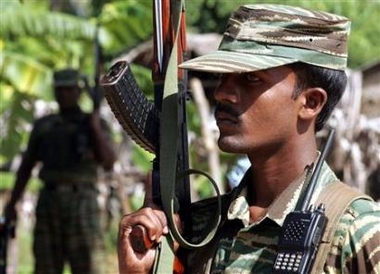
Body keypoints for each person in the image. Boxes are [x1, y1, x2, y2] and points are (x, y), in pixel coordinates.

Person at [117, 4, 380, 274]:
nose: (222, 93)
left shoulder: (357, 232)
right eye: (222, 77)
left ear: (311, 102)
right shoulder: (198, 227)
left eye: (251, 78)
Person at [4, 68, 116, 274]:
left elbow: (108, 161)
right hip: (49, 201)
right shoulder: (44, 126)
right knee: (46, 266)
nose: (64, 94)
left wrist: (94, 126)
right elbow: (26, 167)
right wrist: (12, 204)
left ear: (78, 91)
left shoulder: (93, 124)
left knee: (88, 266)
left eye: (69, 89)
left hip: (82, 201)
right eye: (60, 89)